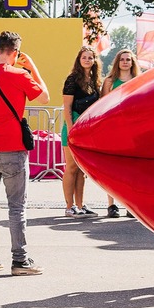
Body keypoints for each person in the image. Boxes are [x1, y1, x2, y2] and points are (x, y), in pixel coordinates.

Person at [0, 32, 46, 275]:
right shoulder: (20, 74)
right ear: (16, 53)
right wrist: (32, 67)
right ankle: (20, 261)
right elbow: (44, 97)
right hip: (12, 149)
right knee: (16, 207)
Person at [59, 46, 104, 217]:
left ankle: (80, 205)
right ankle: (69, 207)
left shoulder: (95, 81)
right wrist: (71, 130)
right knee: (71, 167)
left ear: (94, 60)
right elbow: (67, 107)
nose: (87, 60)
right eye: (84, 57)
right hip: (73, 128)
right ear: (79, 59)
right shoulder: (72, 80)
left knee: (81, 169)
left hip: (87, 130)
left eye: (90, 57)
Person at [101, 49, 142, 218]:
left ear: (133, 62)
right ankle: (112, 205)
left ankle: (130, 205)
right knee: (112, 168)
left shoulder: (139, 80)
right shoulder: (110, 81)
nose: (125, 62)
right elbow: (102, 104)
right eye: (122, 59)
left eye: (128, 59)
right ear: (117, 62)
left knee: (131, 168)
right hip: (113, 127)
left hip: (133, 128)